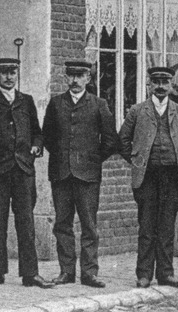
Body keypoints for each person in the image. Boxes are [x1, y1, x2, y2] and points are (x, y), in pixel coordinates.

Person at [41, 59, 119, 287]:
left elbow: (110, 140)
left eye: (80, 76)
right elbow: (47, 137)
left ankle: (89, 273)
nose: (75, 80)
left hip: (88, 176)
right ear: (66, 77)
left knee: (89, 225)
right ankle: (66, 272)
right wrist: (62, 157)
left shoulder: (99, 104)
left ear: (88, 78)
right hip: (61, 174)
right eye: (71, 75)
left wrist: (93, 160)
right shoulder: (56, 104)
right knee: (62, 225)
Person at [118, 65, 178, 289]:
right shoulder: (137, 111)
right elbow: (122, 140)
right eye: (156, 82)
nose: (160, 87)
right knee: (147, 226)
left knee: (167, 227)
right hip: (147, 177)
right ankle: (144, 274)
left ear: (171, 86)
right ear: (149, 84)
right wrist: (137, 160)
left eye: (165, 82)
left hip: (172, 177)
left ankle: (165, 274)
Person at [0, 57, 51, 289]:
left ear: (17, 74)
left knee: (26, 222)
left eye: (12, 72)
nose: (9, 77)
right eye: (4, 72)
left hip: (23, 170)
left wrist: (36, 146)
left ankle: (30, 274)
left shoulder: (26, 101)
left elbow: (37, 132)